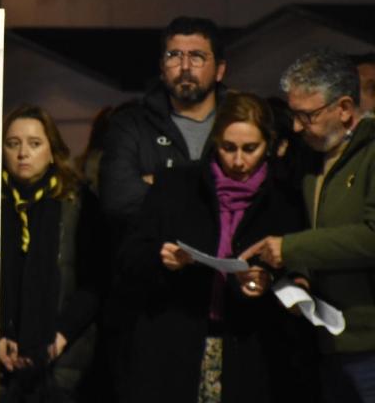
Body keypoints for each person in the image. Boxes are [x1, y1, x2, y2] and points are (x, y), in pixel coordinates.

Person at [121, 92, 312, 403]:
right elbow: (129, 257)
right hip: (176, 344)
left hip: (251, 352)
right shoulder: (177, 185)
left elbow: (298, 271)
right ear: (215, 142)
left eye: (250, 149)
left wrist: (266, 282)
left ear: (269, 145)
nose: (238, 161)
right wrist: (162, 258)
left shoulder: (285, 200)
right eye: (228, 148)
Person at [98, 16, 227, 401]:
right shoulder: (129, 125)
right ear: (161, 66)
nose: (185, 66)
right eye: (174, 55)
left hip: (230, 311)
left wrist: (161, 186)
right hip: (153, 310)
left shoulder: (239, 123)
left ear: (220, 68)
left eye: (197, 56)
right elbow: (118, 200)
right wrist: (207, 199)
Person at [245, 49, 375, 403]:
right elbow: (312, 225)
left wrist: (290, 249)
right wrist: (298, 274)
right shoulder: (314, 159)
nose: (299, 127)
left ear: (345, 108)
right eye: (294, 115)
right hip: (328, 340)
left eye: (309, 115)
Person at [0, 104, 102, 403]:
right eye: (13, 143)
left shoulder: (79, 201)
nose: (22, 154)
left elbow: (95, 280)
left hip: (63, 361)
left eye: (34, 143)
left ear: (52, 149)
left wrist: (58, 338)